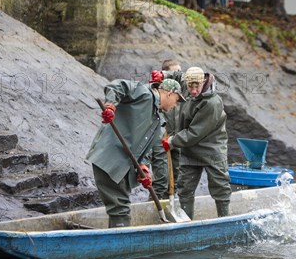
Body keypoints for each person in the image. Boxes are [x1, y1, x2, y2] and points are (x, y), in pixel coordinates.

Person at [86, 78, 185, 228]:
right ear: (170, 93)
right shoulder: (143, 93)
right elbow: (117, 86)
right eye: (176, 101)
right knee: (120, 207)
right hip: (110, 157)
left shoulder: (158, 121)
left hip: (125, 165)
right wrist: (111, 106)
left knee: (120, 205)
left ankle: (117, 238)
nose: (175, 106)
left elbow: (146, 148)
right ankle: (121, 245)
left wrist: (143, 167)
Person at [152, 67, 231, 219]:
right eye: (190, 87)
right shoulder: (186, 82)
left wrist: (172, 141)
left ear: (204, 83)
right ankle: (187, 221)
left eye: (197, 87)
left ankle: (224, 218)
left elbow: (196, 132)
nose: (193, 91)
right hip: (189, 149)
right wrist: (164, 75)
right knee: (185, 188)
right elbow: (177, 75)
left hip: (212, 149)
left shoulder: (212, 103)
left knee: (220, 186)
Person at [151, 59, 182, 200]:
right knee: (161, 179)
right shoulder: (159, 91)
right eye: (176, 72)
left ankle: (170, 204)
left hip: (177, 139)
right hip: (161, 139)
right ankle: (153, 207)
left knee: (175, 177)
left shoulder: (181, 90)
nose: (179, 74)